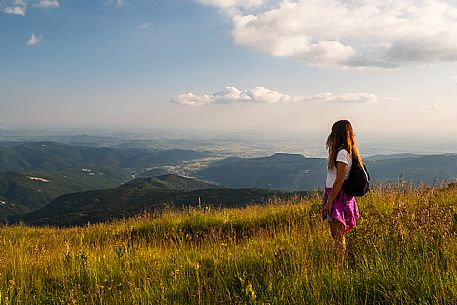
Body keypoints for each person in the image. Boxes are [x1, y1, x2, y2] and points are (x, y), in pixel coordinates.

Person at [322, 120, 361, 262]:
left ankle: (339, 264)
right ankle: (339, 261)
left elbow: (339, 180)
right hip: (336, 195)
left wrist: (329, 202)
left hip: (337, 196)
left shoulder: (342, 153)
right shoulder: (345, 152)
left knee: (337, 234)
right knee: (337, 234)